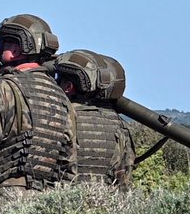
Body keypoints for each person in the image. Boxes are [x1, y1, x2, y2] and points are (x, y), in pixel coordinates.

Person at [0, 14, 77, 210]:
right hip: (47, 212)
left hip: (3, 205)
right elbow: (69, 169)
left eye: (2, 43)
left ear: (17, 48)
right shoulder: (62, 99)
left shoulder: (0, 90)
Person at [53, 49, 136, 187]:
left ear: (68, 87)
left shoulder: (62, 117)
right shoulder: (119, 126)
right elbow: (123, 182)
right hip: (103, 204)